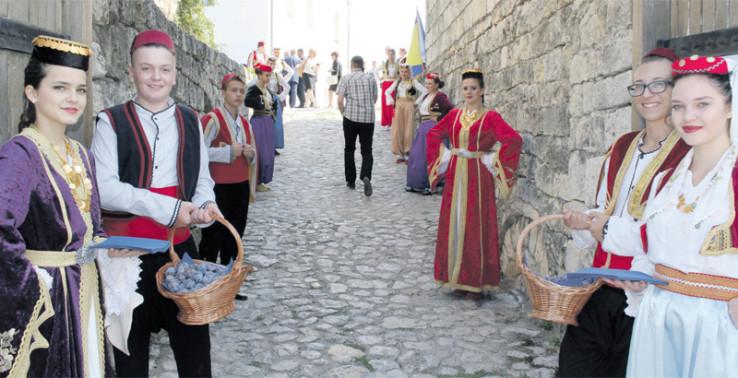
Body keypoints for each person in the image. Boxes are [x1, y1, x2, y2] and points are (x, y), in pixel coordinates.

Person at [0, 34, 143, 378]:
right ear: (32, 91)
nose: (73, 98)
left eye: (80, 90)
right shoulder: (20, 154)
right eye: (60, 87)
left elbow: (90, 227)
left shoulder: (82, 154)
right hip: (49, 305)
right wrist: (35, 285)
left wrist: (107, 249)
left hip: (86, 291)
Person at [590, 55, 738, 377]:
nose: (689, 116)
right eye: (679, 106)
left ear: (729, 107)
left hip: (715, 328)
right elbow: (648, 243)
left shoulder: (734, 178)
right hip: (658, 321)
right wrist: (639, 278)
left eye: (703, 104)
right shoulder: (666, 180)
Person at [91, 29, 219, 377]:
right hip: (126, 256)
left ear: (175, 73)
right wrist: (171, 209)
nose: (156, 77)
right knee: (131, 357)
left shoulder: (192, 119)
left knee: (195, 352)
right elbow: (104, 187)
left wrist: (206, 207)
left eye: (164, 69)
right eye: (146, 68)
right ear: (131, 71)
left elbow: (203, 178)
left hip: (180, 250)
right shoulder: (110, 121)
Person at [556, 48, 689, 378]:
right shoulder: (622, 146)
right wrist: (585, 223)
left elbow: (667, 235)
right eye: (638, 87)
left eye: (658, 84)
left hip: (648, 299)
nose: (647, 95)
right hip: (600, 290)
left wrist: (604, 228)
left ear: (677, 89)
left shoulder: (688, 155)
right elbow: (603, 209)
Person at [426, 69, 522, 299]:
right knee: (456, 221)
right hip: (456, 175)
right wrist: (446, 156)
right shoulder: (455, 115)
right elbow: (434, 134)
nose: (468, 92)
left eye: (473, 88)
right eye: (465, 88)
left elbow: (513, 139)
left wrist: (492, 159)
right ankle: (456, 278)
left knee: (475, 223)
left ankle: (477, 281)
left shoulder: (490, 117)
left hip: (478, 177)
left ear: (482, 91)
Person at [199, 73, 257, 289]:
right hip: (218, 187)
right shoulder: (211, 119)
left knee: (235, 236)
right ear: (223, 92)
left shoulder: (244, 122)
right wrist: (227, 152)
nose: (238, 95)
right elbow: (199, 152)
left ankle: (228, 286)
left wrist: (250, 155)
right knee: (214, 236)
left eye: (241, 91)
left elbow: (252, 155)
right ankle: (207, 285)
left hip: (240, 185)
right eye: (234, 90)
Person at [336, 56, 378, 197]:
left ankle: (351, 180)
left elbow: (340, 100)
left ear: (352, 65)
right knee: (367, 150)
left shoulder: (346, 78)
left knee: (349, 148)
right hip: (368, 119)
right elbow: (375, 98)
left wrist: (344, 113)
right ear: (362, 65)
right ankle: (366, 175)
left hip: (350, 117)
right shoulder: (371, 78)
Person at [406, 72, 453, 193]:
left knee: (431, 156)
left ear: (436, 85)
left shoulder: (441, 96)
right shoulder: (426, 96)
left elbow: (450, 109)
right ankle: (417, 182)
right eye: (426, 83)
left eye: (430, 84)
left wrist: (439, 119)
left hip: (434, 129)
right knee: (418, 155)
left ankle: (431, 184)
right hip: (423, 129)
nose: (427, 86)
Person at [245, 63, 278, 192]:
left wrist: (273, 109)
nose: (268, 78)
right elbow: (247, 101)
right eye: (266, 75)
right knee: (260, 151)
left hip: (268, 122)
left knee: (268, 152)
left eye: (269, 75)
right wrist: (261, 101)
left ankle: (263, 179)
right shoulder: (254, 88)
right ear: (259, 75)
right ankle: (256, 180)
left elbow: (273, 103)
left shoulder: (267, 89)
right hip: (259, 122)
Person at [249, 57, 291, 154]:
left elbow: (287, 86)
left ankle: (273, 147)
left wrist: (281, 96)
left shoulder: (276, 75)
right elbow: (251, 85)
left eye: (273, 64)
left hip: (274, 102)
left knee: (276, 125)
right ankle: (264, 146)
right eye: (269, 63)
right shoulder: (261, 75)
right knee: (264, 124)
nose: (271, 65)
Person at [386, 65, 426, 163]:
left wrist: (417, 102)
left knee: (409, 129)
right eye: (402, 71)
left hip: (409, 105)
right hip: (399, 105)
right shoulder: (398, 82)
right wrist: (391, 100)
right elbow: (387, 91)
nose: (404, 74)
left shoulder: (414, 82)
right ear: (400, 72)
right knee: (398, 129)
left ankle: (408, 154)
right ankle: (400, 154)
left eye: (406, 71)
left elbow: (425, 91)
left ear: (409, 72)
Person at [380, 49, 400, 127]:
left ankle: (393, 121)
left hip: (394, 84)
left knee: (393, 102)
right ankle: (387, 122)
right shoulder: (384, 64)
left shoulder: (397, 64)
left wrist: (397, 79)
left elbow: (400, 74)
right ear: (387, 55)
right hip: (386, 84)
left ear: (395, 55)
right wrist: (381, 80)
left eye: (392, 54)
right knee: (386, 104)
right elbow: (375, 71)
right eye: (389, 54)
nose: (391, 56)